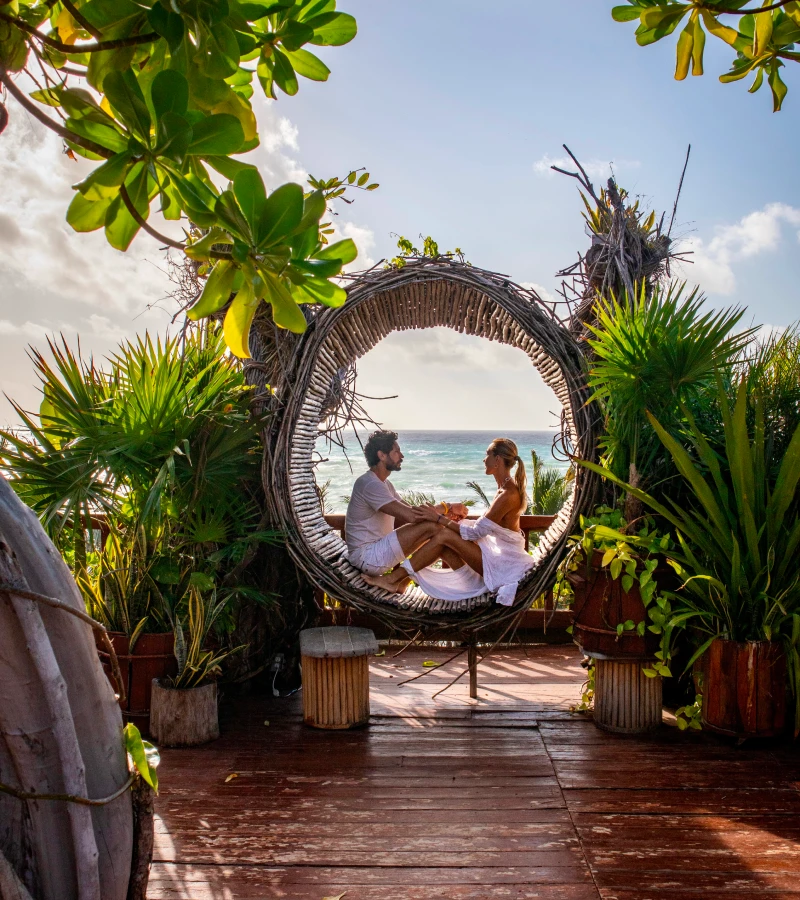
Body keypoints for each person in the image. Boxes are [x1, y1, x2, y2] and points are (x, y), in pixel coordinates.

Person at [362, 437, 535, 606]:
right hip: (496, 557)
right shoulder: (504, 490)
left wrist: (439, 518)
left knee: (443, 534)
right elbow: (485, 527)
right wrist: (450, 520)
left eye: (487, 454)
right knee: (440, 539)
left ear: (497, 460)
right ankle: (401, 582)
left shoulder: (508, 495)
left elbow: (476, 532)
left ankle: (393, 579)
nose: (484, 459)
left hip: (503, 565)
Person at [345, 430, 469, 585]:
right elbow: (412, 516)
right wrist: (447, 507)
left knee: (439, 538)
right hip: (368, 557)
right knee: (433, 527)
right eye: (396, 451)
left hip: (376, 552)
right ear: (382, 455)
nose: (401, 456)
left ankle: (465, 579)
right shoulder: (370, 484)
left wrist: (445, 514)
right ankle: (468, 578)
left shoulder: (384, 484)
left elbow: (412, 511)